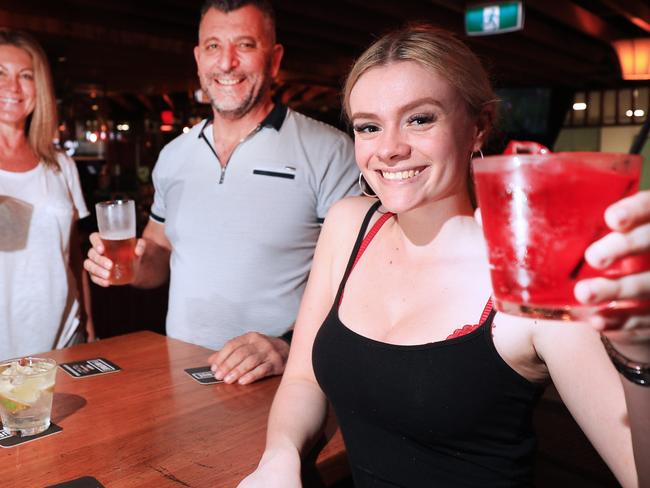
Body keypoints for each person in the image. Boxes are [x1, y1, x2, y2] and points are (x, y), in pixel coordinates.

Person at [239, 25, 650, 487]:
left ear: (479, 126)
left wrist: (640, 357)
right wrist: (279, 457)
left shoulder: (528, 277)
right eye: (368, 126)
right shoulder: (348, 225)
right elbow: (302, 381)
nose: (390, 149)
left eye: (420, 119)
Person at [84, 0, 358, 385]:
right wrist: (126, 267)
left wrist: (288, 345)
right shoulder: (174, 156)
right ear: (198, 59)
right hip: (181, 375)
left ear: (274, 59)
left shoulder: (329, 150)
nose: (226, 63)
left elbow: (359, 279)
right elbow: (157, 253)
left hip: (281, 380)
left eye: (245, 45)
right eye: (213, 46)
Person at [0, 29, 93, 361]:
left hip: (65, 338)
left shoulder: (61, 165)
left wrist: (89, 324)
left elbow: (73, 253)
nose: (13, 87)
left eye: (25, 76)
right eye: (1, 73)